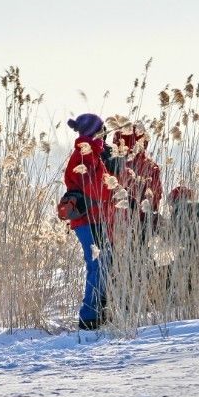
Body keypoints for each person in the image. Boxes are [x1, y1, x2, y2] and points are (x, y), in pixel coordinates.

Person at [62, 113, 113, 330]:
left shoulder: (93, 153)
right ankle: (88, 316)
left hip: (95, 218)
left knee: (103, 262)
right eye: (102, 130)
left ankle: (98, 310)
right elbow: (93, 188)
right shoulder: (84, 154)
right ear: (94, 131)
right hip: (87, 219)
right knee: (97, 264)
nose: (105, 134)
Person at [111, 123, 163, 242]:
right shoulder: (151, 166)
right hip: (144, 220)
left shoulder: (115, 165)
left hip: (118, 222)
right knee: (140, 252)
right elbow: (157, 194)